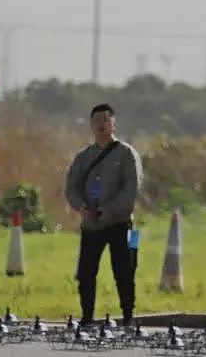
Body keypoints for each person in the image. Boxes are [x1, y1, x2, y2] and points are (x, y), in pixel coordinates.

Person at [65, 103, 142, 326]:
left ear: (113, 123)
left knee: (124, 271)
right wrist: (81, 207)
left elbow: (131, 189)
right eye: (97, 120)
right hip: (91, 225)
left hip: (119, 224)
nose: (102, 124)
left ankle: (128, 316)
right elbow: (71, 187)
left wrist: (109, 210)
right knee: (86, 273)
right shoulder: (83, 157)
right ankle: (87, 316)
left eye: (106, 120)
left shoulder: (126, 154)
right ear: (91, 124)